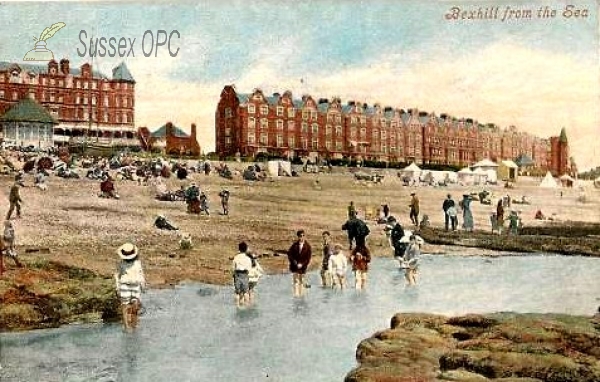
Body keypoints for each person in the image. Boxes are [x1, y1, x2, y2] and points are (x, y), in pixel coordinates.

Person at [114, 243, 146, 330]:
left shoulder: (137, 263)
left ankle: (134, 325)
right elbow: (117, 275)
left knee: (135, 307)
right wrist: (117, 287)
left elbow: (141, 275)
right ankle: (126, 327)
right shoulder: (121, 263)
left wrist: (143, 286)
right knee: (125, 306)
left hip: (136, 285)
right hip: (125, 285)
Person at [287, 229, 312, 297]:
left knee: (302, 281)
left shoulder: (308, 246)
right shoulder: (294, 245)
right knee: (295, 281)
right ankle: (296, 295)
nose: (302, 237)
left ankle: (301, 295)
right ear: (298, 237)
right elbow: (289, 254)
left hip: (303, 267)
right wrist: (295, 263)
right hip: (294, 266)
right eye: (300, 236)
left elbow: (308, 258)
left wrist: (302, 264)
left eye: (303, 235)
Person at [232, 242, 253, 307]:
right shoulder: (248, 258)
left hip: (237, 274)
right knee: (246, 292)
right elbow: (249, 268)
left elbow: (233, 267)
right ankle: (246, 306)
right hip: (245, 275)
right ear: (246, 249)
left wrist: (233, 275)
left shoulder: (236, 257)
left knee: (237, 293)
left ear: (239, 249)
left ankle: (237, 306)